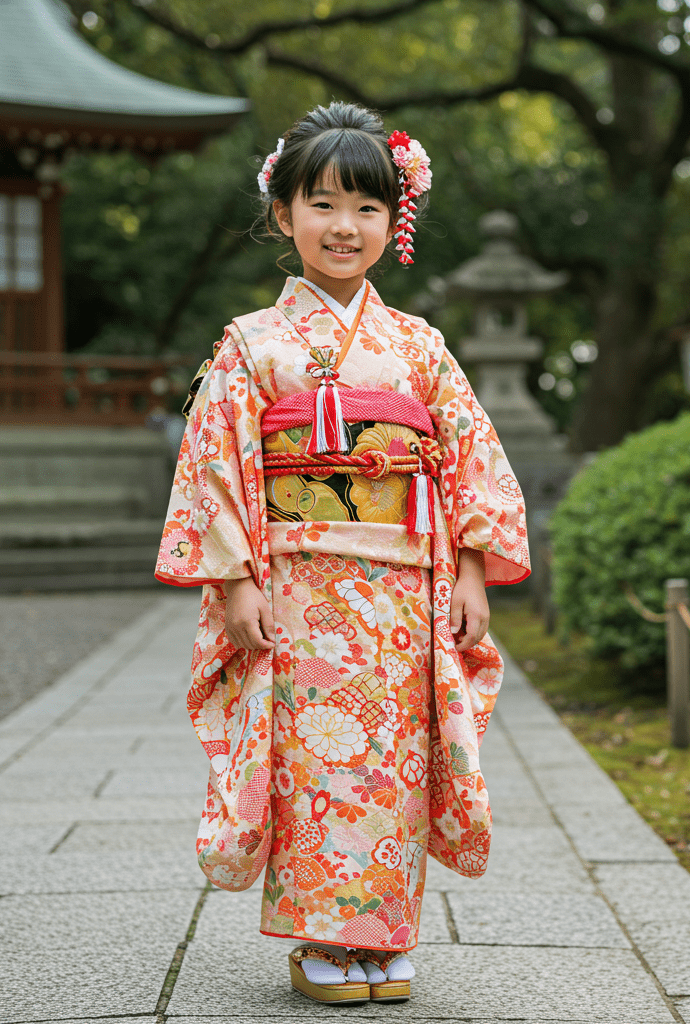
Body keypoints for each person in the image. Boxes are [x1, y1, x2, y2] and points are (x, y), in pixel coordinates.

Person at [155, 102, 530, 1006]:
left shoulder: (418, 346)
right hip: (297, 581)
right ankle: (326, 934)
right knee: (312, 757)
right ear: (283, 214)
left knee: (394, 759)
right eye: (322, 204)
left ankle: (386, 935)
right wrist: (237, 577)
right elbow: (213, 459)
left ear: (394, 219)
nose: (344, 227)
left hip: (403, 585)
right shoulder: (251, 343)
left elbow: (469, 454)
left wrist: (474, 569)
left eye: (367, 207)